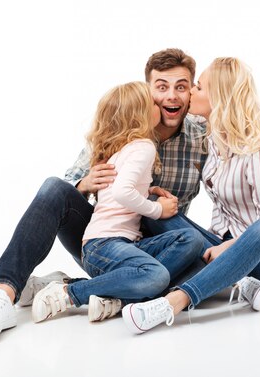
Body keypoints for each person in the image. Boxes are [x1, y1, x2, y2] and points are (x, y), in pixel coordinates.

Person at [0, 48, 210, 334]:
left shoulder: (202, 136)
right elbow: (70, 185)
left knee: (204, 260)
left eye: (181, 87)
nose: (172, 96)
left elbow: (226, 192)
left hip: (160, 251)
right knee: (55, 188)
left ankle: (95, 293)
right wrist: (85, 185)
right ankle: (2, 296)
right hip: (105, 244)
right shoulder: (122, 128)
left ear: (192, 91)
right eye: (162, 87)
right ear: (148, 91)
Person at [122, 57, 260, 334]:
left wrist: (225, 248)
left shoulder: (256, 151)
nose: (189, 92)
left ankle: (174, 301)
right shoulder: (213, 142)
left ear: (220, 98)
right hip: (224, 245)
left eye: (199, 88)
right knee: (158, 211)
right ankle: (239, 282)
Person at [26, 81, 202, 324]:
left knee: (191, 238)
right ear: (139, 114)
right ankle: (71, 293)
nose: (159, 105)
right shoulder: (144, 146)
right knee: (157, 275)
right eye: (152, 103)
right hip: (105, 245)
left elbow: (120, 191)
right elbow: (121, 192)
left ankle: (116, 297)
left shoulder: (125, 149)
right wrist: (157, 209)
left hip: (118, 246)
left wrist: (147, 190)